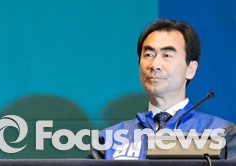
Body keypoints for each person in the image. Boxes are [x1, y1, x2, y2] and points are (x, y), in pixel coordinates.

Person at [89, 18, 236, 159]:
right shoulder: (109, 140)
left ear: (190, 69)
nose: (154, 65)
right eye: (148, 55)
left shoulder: (220, 133)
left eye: (167, 55)